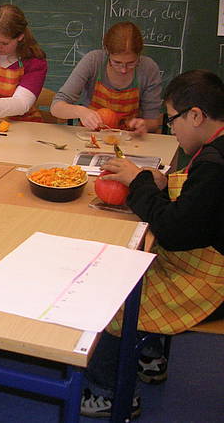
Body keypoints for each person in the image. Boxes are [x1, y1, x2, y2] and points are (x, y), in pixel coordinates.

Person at [80, 70, 224, 418]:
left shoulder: (215, 165)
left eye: (172, 119)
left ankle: (110, 393)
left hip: (210, 281)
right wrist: (162, 184)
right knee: (134, 263)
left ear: (196, 116)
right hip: (200, 256)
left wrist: (140, 182)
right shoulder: (215, 149)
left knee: (112, 298)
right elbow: (198, 208)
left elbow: (173, 230)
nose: (171, 129)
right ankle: (150, 356)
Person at [51, 21, 162, 134]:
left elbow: (153, 121)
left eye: (131, 63)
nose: (123, 70)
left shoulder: (148, 69)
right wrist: (80, 112)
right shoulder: (94, 61)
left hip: (128, 138)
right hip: (90, 136)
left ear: (139, 55)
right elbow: (56, 107)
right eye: (117, 62)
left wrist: (144, 125)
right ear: (107, 52)